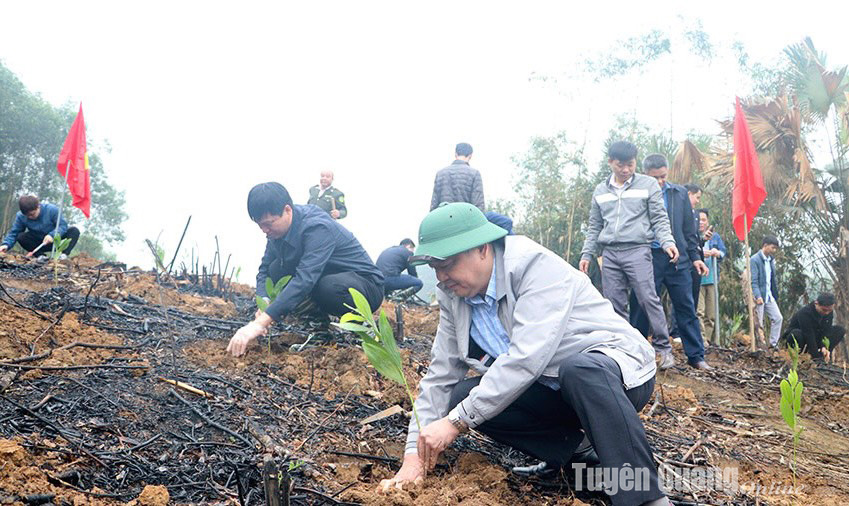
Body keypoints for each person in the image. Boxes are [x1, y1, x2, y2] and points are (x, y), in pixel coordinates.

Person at [379, 203, 669, 506]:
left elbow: (524, 359)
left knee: (578, 369)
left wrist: (454, 423)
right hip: (551, 387)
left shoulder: (533, 266)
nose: (441, 277)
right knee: (461, 396)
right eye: (435, 268)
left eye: (447, 263)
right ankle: (580, 455)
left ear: (482, 249)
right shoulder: (454, 294)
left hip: (616, 376)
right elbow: (439, 376)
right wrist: (413, 456)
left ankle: (644, 497)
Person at [227, 182, 383, 356]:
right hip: (325, 280)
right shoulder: (276, 232)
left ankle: (366, 331)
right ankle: (320, 333)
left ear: (287, 210)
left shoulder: (317, 227)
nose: (264, 230)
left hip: (364, 287)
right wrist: (264, 302)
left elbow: (305, 279)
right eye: (260, 225)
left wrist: (260, 323)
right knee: (276, 271)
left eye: (269, 223)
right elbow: (264, 270)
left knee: (328, 287)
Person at [579, 141, 679, 370]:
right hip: (610, 254)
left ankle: (663, 348)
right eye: (621, 165)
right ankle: (625, 350)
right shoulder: (600, 191)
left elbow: (659, 218)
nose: (626, 170)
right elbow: (594, 226)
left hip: (638, 250)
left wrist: (667, 242)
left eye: (631, 164)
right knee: (614, 303)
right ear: (610, 163)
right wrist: (587, 254)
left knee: (647, 298)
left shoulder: (648, 185)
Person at [629, 155, 712, 370]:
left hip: (678, 259)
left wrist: (695, 258)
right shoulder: (635, 193)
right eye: (654, 178)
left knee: (686, 306)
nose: (659, 182)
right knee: (641, 305)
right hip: (648, 257)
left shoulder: (680, 194)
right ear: (645, 174)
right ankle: (636, 353)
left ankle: (696, 356)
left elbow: (689, 230)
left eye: (663, 177)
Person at [0, 195, 80, 259]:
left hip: (57, 241)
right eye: (27, 216)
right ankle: (41, 256)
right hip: (38, 243)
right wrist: (6, 244)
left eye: (32, 214)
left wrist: (52, 235)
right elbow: (14, 233)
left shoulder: (52, 210)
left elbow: (62, 226)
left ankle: (63, 256)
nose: (30, 217)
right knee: (20, 236)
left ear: (38, 206)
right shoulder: (20, 216)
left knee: (74, 231)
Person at [783, 292, 844, 361]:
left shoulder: (829, 313)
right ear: (816, 304)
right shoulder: (804, 313)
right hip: (802, 338)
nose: (827, 313)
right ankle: (810, 357)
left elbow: (826, 331)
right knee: (797, 333)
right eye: (824, 310)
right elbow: (808, 334)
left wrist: (823, 346)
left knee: (839, 330)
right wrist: (816, 357)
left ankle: (825, 355)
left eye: (829, 310)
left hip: (816, 337)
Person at [696, 209, 726, 344]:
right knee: (699, 312)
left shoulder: (715, 237)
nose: (701, 222)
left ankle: (707, 339)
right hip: (698, 280)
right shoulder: (692, 236)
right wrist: (701, 253)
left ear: (708, 221)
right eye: (699, 219)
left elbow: (723, 253)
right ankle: (701, 340)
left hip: (712, 279)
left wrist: (716, 252)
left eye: (704, 220)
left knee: (711, 314)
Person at [430, 142, 485, 211]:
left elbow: (434, 205)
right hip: (465, 218)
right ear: (470, 155)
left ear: (455, 154)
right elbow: (478, 205)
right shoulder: (474, 174)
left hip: (444, 218)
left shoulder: (440, 173)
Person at [751, 235, 783, 348]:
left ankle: (773, 344)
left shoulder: (771, 260)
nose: (774, 250)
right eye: (772, 247)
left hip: (769, 296)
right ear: (765, 246)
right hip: (759, 296)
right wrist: (757, 295)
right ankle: (760, 345)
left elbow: (772, 279)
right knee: (759, 323)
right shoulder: (754, 260)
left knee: (778, 318)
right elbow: (753, 280)